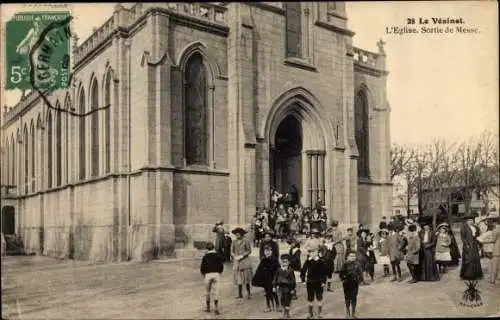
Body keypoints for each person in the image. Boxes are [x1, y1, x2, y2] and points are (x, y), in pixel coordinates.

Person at [252, 245, 281, 312]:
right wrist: (256, 279)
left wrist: (277, 279)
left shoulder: (275, 260)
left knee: (274, 292)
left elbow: (278, 270)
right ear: (264, 252)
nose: (267, 252)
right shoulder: (263, 260)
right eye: (266, 251)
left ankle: (277, 306)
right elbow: (259, 270)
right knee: (267, 293)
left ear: (272, 251)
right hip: (266, 280)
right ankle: (268, 307)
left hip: (272, 279)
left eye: (269, 251)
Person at [300, 250, 327, 319]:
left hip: (319, 282)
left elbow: (324, 272)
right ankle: (310, 313)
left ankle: (319, 314)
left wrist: (323, 282)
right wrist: (303, 280)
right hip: (310, 282)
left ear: (317, 253)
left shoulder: (321, 261)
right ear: (309, 253)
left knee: (319, 298)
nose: (313, 254)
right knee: (310, 298)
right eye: (311, 252)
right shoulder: (307, 261)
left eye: (314, 252)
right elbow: (303, 271)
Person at [200, 242, 224, 315]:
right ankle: (216, 308)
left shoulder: (205, 256)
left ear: (207, 248)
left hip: (208, 275)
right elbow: (221, 267)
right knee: (216, 292)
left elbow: (202, 269)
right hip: (216, 274)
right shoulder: (217, 255)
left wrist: (205, 275)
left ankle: (208, 308)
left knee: (207, 292)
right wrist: (218, 273)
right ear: (213, 247)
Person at [231, 227, 254, 299]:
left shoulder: (246, 241)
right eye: (236, 234)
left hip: (245, 261)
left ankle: (249, 293)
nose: (237, 235)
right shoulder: (234, 242)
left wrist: (242, 255)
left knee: (246, 278)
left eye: (238, 234)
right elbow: (231, 251)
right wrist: (234, 256)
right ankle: (240, 294)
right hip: (237, 262)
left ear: (241, 234)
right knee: (239, 279)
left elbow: (249, 250)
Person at [340, 251, 363, 319]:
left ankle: (353, 313)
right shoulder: (345, 264)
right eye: (350, 256)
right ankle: (347, 312)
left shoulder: (358, 264)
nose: (352, 257)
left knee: (354, 297)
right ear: (347, 257)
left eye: (354, 256)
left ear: (355, 257)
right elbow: (341, 274)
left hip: (354, 283)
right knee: (347, 298)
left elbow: (360, 274)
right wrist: (343, 279)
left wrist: (359, 280)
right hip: (346, 283)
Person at [459, 214, 483, 281]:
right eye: (469, 220)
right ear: (466, 221)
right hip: (468, 245)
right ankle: (467, 275)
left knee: (476, 259)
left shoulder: (474, 227)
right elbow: (463, 237)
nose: (470, 221)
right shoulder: (464, 227)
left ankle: (476, 275)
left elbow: (477, 235)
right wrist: (466, 244)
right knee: (468, 259)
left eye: (471, 220)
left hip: (474, 244)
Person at [273, 254, 297, 319]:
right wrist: (274, 286)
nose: (284, 263)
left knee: (287, 301)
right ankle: (285, 311)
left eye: (286, 262)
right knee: (282, 300)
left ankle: (287, 313)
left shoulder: (290, 270)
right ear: (280, 262)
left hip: (288, 288)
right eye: (283, 262)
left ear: (289, 262)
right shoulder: (278, 270)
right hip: (281, 289)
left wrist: (292, 288)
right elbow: (275, 278)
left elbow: (293, 280)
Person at [489, 217, 500, 284]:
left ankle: (492, 280)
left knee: (494, 265)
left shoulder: (496, 230)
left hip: (497, 248)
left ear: (495, 223)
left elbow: (493, 240)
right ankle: (499, 277)